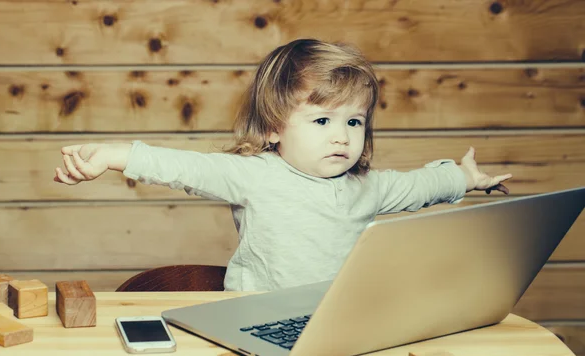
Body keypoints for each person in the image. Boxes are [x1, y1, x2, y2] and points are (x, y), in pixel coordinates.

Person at [54, 39, 512, 291]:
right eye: (321, 119)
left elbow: (420, 186)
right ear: (273, 128)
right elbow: (184, 168)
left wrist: (465, 177)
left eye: (355, 120)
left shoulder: (367, 187)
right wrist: (115, 155)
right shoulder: (258, 174)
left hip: (332, 324)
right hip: (252, 321)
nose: (342, 135)